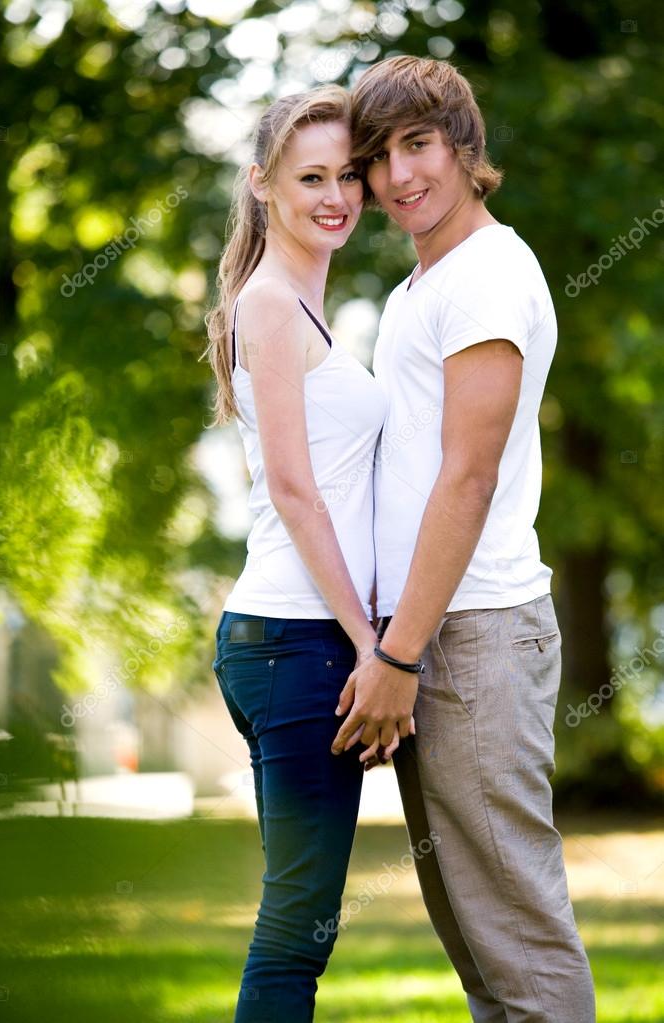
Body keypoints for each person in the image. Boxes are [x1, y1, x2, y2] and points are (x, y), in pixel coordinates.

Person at [331, 55, 596, 1022]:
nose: (399, 177)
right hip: (432, 630)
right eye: (377, 158)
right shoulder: (417, 289)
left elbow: (469, 475)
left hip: (472, 633)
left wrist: (401, 652)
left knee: (519, 944)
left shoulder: (485, 274)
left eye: (417, 145)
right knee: (480, 950)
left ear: (463, 145)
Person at [205, 85, 391, 1023]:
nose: (338, 195)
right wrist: (371, 647)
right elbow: (293, 488)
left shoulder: (303, 306)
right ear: (262, 185)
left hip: (288, 640)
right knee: (296, 929)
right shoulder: (273, 303)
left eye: (349, 174)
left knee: (300, 920)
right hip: (298, 640)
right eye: (311, 176)